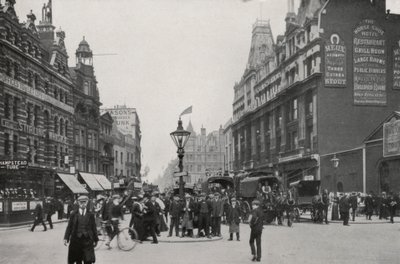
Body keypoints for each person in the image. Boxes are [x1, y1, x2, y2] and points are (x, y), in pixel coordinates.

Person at [63, 195, 98, 264]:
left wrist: (96, 239)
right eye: (81, 202)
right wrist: (66, 238)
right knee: (77, 260)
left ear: (87, 203)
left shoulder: (90, 214)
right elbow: (69, 227)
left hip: (87, 240)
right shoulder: (73, 214)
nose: (83, 204)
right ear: (78, 203)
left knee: (88, 260)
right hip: (76, 240)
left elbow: (94, 227)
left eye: (84, 202)